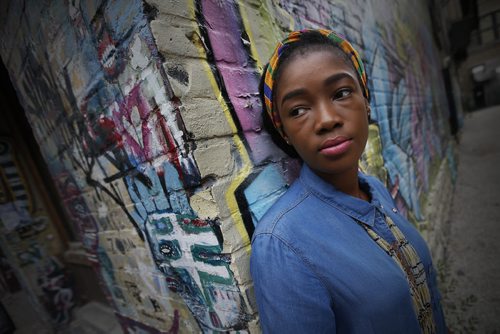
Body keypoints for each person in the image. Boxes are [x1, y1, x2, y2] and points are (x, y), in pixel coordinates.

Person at [250, 29, 447, 333]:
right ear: (284, 132)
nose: (327, 119)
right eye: (298, 110)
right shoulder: (281, 243)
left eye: (341, 93)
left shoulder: (375, 189)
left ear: (365, 101)